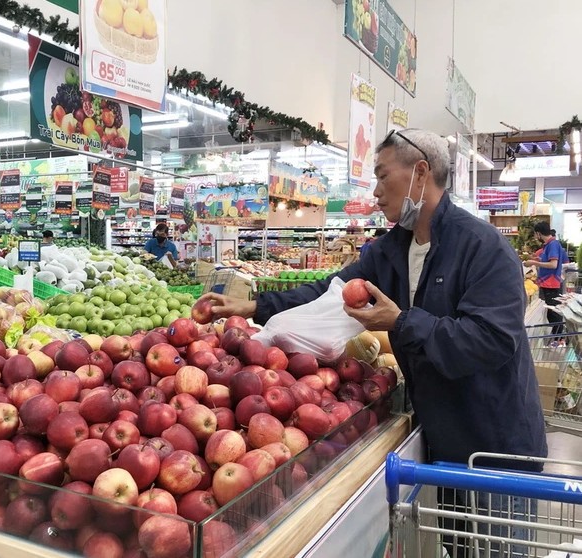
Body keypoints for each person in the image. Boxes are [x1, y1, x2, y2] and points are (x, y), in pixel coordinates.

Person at [201, 129, 546, 557]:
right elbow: (330, 291)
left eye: (383, 177)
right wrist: (253, 305)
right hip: (445, 438)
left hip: (495, 448)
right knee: (460, 549)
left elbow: (490, 341)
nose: (376, 192)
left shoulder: (484, 248)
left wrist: (401, 322)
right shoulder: (390, 250)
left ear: (420, 173)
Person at [524, 222, 564, 338]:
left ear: (538, 233)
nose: (535, 237)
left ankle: (559, 338)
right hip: (548, 283)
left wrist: (534, 263)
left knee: (554, 313)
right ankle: (557, 337)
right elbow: (548, 260)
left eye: (535, 234)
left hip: (551, 283)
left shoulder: (553, 245)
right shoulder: (548, 245)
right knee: (551, 312)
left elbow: (553, 265)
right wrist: (539, 259)